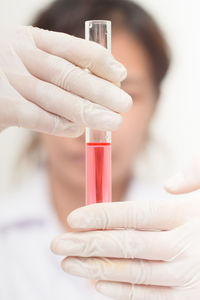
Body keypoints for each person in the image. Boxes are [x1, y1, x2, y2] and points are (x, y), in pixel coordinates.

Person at [0, 0, 199, 299]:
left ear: (155, 104)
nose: (88, 123)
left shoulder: (186, 243)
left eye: (123, 93)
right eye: (66, 92)